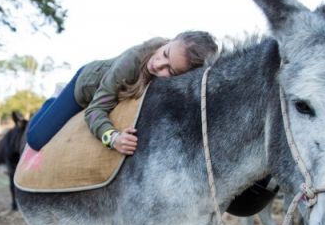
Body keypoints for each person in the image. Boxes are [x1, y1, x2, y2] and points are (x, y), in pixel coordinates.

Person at [25, 31, 218, 155]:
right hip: (86, 87)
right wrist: (113, 138)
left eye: (170, 71)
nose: (157, 64)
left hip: (119, 94)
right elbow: (95, 110)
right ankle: (53, 100)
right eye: (165, 53)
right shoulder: (132, 61)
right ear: (171, 40)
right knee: (36, 139)